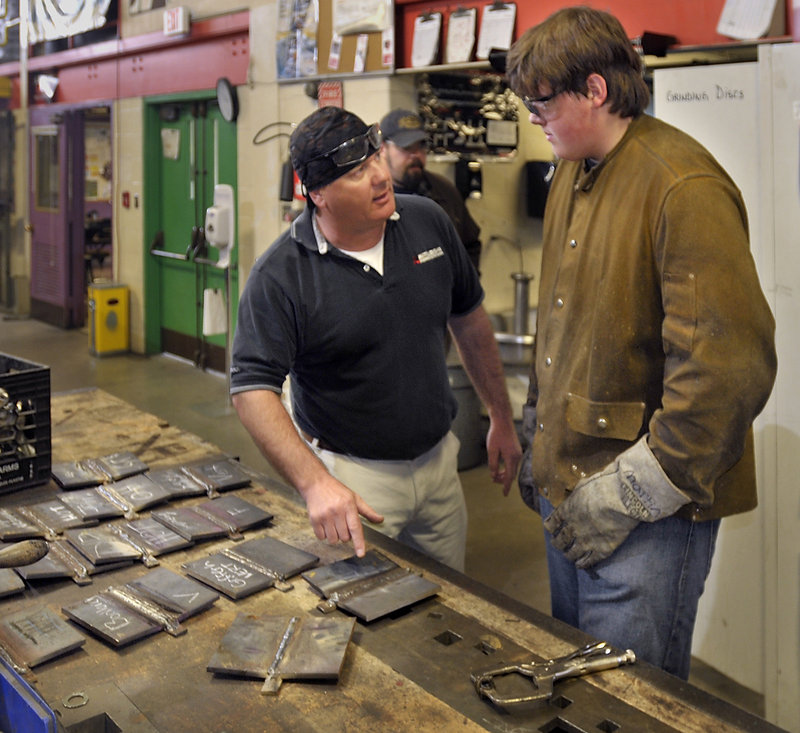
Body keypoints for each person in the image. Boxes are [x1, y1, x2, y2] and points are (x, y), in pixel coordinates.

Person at [506, 7, 776, 679]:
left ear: (595, 90)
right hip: (570, 490)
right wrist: (538, 430)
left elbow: (726, 370)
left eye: (542, 103)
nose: (533, 119)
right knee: (580, 683)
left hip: (649, 516)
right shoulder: (574, 168)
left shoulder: (683, 186)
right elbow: (563, 324)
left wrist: (632, 491)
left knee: (630, 695)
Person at [230, 106, 521, 572]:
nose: (380, 178)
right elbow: (251, 390)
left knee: (448, 610)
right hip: (352, 478)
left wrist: (501, 418)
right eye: (357, 173)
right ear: (318, 194)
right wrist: (314, 483)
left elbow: (468, 319)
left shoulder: (428, 220)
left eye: (375, 161)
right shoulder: (281, 274)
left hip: (439, 465)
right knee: (360, 612)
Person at [380, 108, 482, 273]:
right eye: (406, 148)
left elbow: (470, 244)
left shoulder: (443, 191)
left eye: (421, 146)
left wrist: (465, 289)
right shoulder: (372, 197)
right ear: (383, 149)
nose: (416, 155)